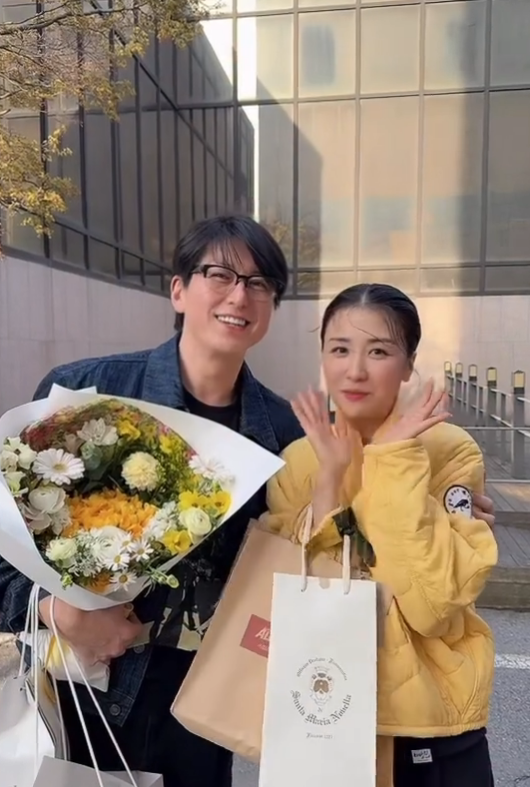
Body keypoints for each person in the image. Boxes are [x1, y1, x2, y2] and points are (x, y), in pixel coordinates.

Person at [0, 220, 495, 786]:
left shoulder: (283, 434)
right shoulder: (89, 394)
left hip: (201, 710)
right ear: (178, 289)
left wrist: (444, 507)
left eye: (258, 283)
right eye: (220, 274)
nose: (239, 295)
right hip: (73, 699)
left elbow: (305, 568)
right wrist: (54, 609)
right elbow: (10, 542)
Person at [264, 283, 498, 787]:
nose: (355, 370)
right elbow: (288, 593)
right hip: (320, 713)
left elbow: (432, 605)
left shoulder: (450, 451)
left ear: (409, 364)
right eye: (340, 349)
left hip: (429, 726)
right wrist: (329, 480)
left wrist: (392, 457)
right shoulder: (298, 462)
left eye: (378, 351)